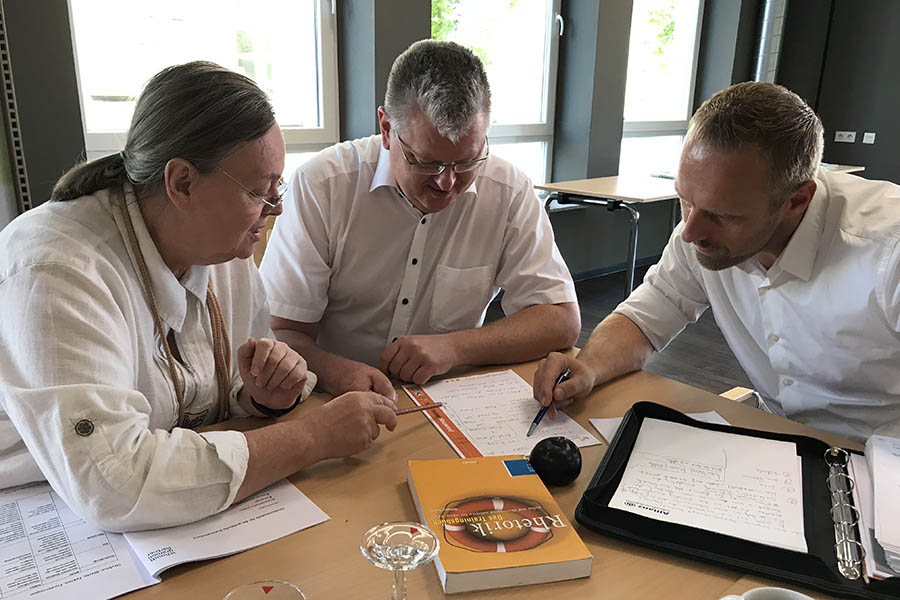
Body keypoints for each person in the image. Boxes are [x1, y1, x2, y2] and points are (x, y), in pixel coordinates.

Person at [0, 62, 398, 532]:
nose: (276, 209)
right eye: (258, 191)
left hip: (173, 497)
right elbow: (115, 482)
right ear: (182, 182)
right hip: (49, 508)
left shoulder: (221, 247)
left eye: (277, 186)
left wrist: (260, 395)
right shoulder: (56, 269)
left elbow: (205, 393)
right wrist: (311, 437)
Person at [533, 81, 900, 443]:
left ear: (797, 200)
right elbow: (652, 310)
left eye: (722, 215)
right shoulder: (701, 229)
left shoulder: (888, 252)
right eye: (685, 200)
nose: (690, 232)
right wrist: (589, 366)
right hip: (780, 441)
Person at [259, 40, 580, 399]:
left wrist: (455, 348)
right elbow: (281, 331)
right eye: (426, 162)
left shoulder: (507, 189)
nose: (447, 182)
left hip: (449, 398)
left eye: (467, 162)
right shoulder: (324, 185)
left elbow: (560, 320)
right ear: (385, 129)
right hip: (334, 399)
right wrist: (338, 374)